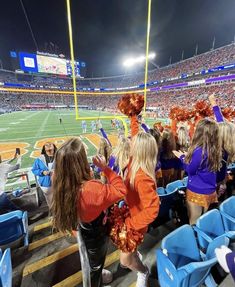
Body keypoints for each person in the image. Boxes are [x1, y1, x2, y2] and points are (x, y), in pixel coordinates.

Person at [51, 138, 127, 287]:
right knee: (95, 265)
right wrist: (105, 168)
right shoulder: (92, 189)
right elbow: (121, 190)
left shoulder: (58, 177)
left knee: (87, 259)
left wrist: (88, 177)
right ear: (79, 163)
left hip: (78, 224)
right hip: (94, 231)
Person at [118, 115, 160, 287]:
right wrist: (133, 117)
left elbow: (152, 210)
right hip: (130, 214)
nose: (130, 142)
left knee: (125, 261)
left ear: (140, 150)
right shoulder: (135, 161)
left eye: (134, 144)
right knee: (127, 257)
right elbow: (136, 135)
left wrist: (130, 223)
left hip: (136, 224)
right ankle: (136, 256)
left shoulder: (142, 177)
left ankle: (143, 271)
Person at [173, 118, 222, 224]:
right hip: (210, 189)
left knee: (194, 221)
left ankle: (195, 239)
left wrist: (182, 157)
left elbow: (190, 169)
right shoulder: (214, 148)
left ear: (200, 133)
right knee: (204, 220)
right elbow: (202, 165)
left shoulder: (200, 150)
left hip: (197, 190)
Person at [32, 142, 57, 208]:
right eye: (47, 149)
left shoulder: (59, 157)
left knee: (59, 199)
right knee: (50, 200)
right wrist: (42, 172)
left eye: (51, 149)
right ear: (44, 150)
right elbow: (34, 170)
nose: (49, 150)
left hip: (58, 182)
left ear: (54, 148)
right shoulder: (39, 159)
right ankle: (53, 212)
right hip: (46, 184)